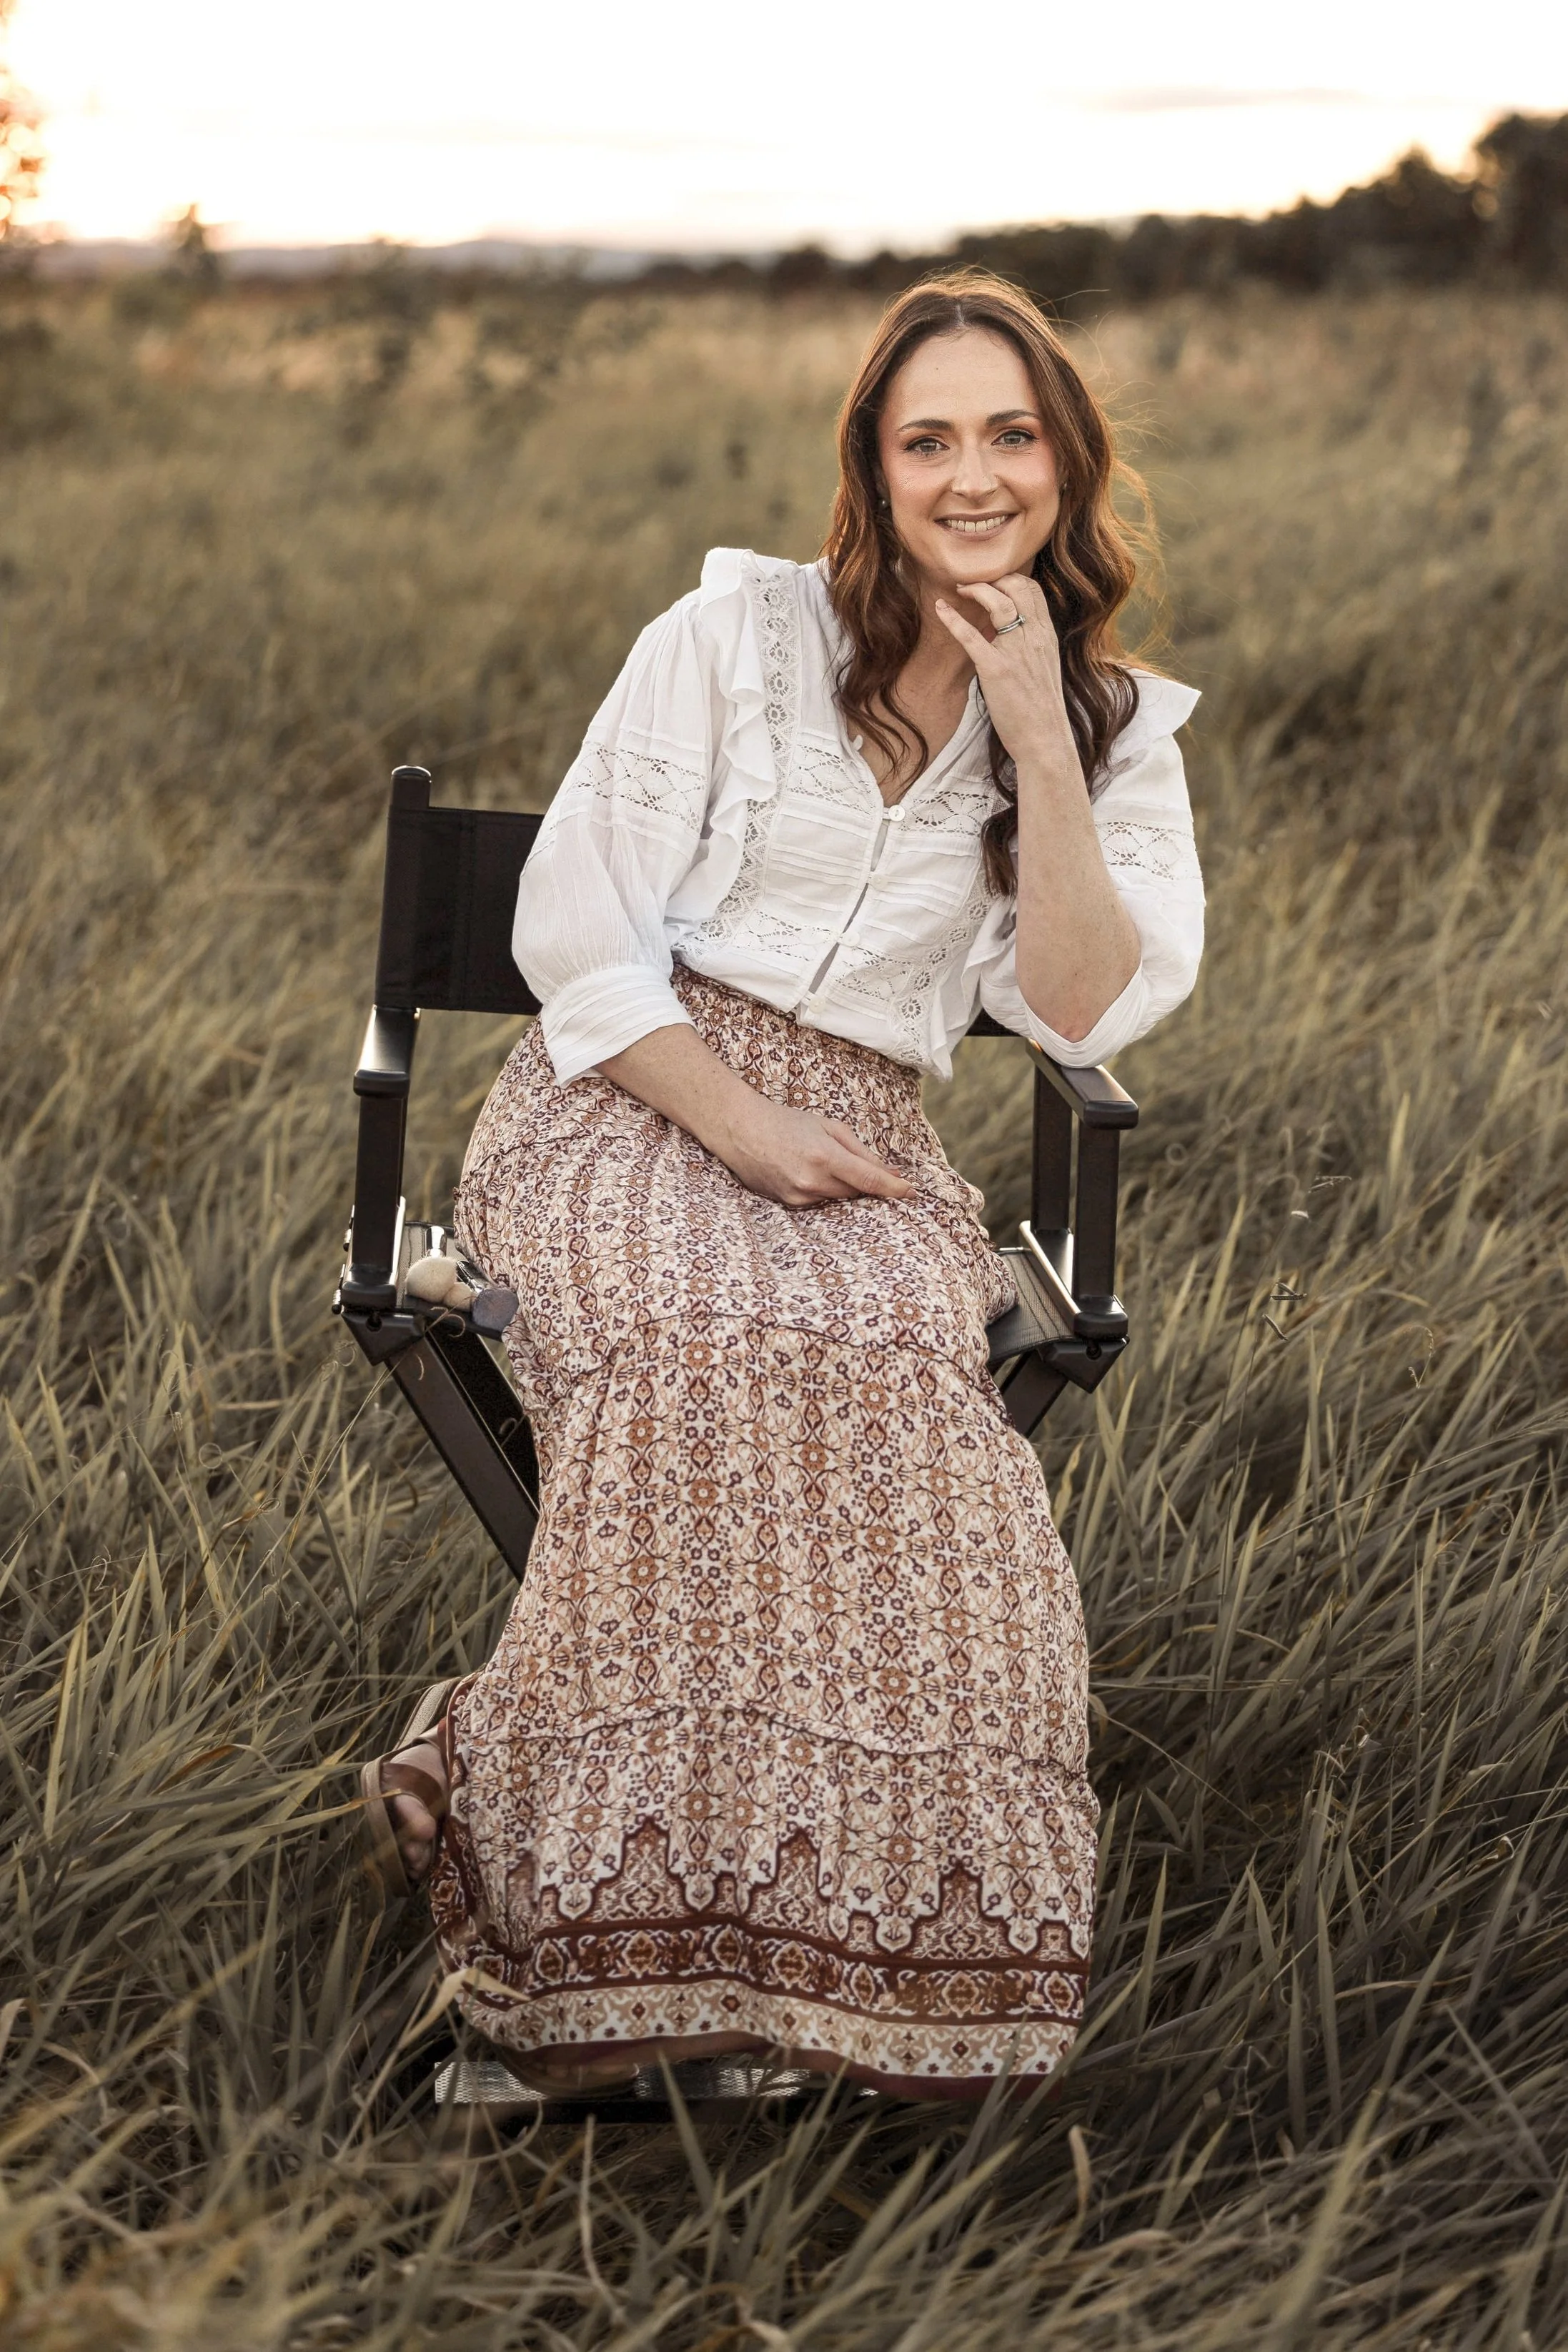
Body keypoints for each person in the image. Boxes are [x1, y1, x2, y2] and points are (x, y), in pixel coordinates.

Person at [359, 269, 1203, 2100]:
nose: (971, 475)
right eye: (927, 441)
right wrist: (732, 1121)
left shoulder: (1119, 726)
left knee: (895, 1379)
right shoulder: (731, 638)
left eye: (1008, 435)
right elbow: (575, 935)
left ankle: (834, 1971)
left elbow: (1072, 1002)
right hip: (627, 1093)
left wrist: (1041, 733)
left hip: (871, 1125)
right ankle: (606, 1929)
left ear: (1063, 458)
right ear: (873, 467)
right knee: (701, 1325)